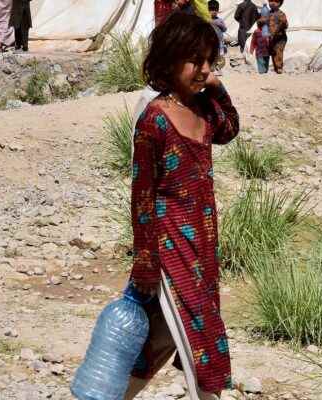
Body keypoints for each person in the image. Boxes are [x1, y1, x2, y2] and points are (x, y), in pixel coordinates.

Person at [123, 12, 239, 400]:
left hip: (203, 246)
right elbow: (142, 196)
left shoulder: (204, 112)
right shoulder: (154, 121)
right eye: (195, 61)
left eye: (210, 61)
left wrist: (219, 89)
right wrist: (144, 258)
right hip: (170, 245)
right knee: (203, 335)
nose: (204, 70)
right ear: (169, 59)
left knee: (160, 337)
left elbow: (230, 129)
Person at [267, 0, 287, 74]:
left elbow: (285, 25)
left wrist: (282, 24)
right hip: (271, 37)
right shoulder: (267, 13)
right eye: (270, 1)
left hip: (280, 37)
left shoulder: (281, 14)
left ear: (280, 4)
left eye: (276, 1)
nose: (272, 3)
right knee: (273, 51)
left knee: (278, 51)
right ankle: (275, 67)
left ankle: (279, 68)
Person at [208, 1, 226, 75]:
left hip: (219, 42)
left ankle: (218, 68)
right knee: (211, 55)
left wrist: (220, 24)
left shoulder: (220, 20)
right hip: (209, 42)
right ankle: (211, 68)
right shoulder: (207, 20)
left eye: (215, 10)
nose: (214, 12)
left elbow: (225, 29)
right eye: (211, 10)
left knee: (219, 56)